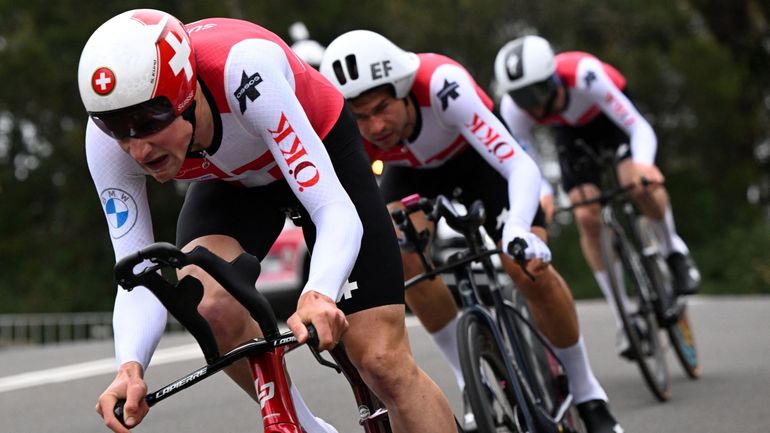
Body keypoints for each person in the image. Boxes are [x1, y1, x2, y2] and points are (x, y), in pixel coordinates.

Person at [78, 9, 458, 433]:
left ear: (187, 94)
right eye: (119, 129)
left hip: (320, 152)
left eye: (150, 122)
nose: (138, 149)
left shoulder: (243, 71)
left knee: (382, 362)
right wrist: (129, 367)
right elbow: (136, 274)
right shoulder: (106, 143)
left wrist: (318, 292)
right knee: (204, 301)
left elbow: (332, 209)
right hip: (232, 180)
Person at [320, 30, 624, 433]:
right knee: (402, 254)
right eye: (361, 117)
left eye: (383, 108)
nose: (375, 126)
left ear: (406, 89)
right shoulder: (346, 129)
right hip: (410, 175)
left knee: (528, 267)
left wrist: (516, 228)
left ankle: (588, 394)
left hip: (478, 161)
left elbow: (519, 165)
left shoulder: (443, 85)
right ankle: (470, 380)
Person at [494, 35, 701, 358]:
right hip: (569, 132)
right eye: (522, 97)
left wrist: (644, 165)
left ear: (554, 79)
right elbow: (526, 162)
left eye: (536, 92)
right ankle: (625, 319)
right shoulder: (514, 109)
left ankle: (674, 250)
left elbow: (638, 127)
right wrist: (544, 194)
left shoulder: (585, 75)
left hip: (610, 119)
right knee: (586, 216)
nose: (531, 104)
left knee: (635, 182)